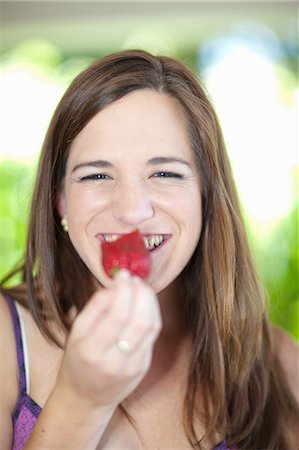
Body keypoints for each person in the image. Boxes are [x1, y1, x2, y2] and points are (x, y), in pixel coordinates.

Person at [0, 49, 298, 450]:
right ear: (61, 203)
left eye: (164, 173)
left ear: (206, 196)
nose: (131, 211)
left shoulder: (279, 364)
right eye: (97, 174)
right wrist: (81, 401)